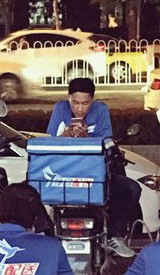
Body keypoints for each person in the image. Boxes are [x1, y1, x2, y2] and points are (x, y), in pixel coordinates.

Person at [46, 77, 140, 259]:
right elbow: (51, 143)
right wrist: (66, 135)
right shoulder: (60, 109)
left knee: (131, 188)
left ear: (93, 101)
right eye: (75, 102)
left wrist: (88, 137)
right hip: (64, 176)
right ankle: (45, 236)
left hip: (96, 176)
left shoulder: (101, 110)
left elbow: (107, 143)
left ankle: (115, 235)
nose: (79, 108)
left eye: (85, 103)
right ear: (68, 98)